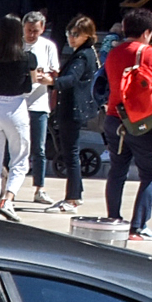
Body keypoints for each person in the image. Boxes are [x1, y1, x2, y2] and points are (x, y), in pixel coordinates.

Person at [100, 7, 152, 244]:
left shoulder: (113, 53)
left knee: (117, 170)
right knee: (150, 173)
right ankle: (138, 226)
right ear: (148, 32)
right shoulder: (148, 53)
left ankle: (114, 218)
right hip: (142, 121)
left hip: (113, 117)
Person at [0, 23, 39, 219]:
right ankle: (8, 200)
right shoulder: (28, 58)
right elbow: (31, 85)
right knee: (19, 160)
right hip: (16, 107)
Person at [49, 15, 101, 212]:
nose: (71, 38)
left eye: (75, 34)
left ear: (87, 35)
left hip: (72, 108)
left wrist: (51, 81)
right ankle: (75, 193)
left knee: (70, 153)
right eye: (69, 33)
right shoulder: (86, 53)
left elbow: (72, 78)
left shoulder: (82, 55)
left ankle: (72, 198)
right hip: (75, 108)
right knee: (70, 151)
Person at [19, 11, 60, 208]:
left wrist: (47, 80)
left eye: (35, 31)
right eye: (28, 30)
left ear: (42, 29)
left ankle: (40, 187)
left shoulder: (48, 46)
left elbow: (55, 75)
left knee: (39, 148)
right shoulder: (17, 44)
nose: (32, 35)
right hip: (17, 101)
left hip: (39, 102)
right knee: (15, 146)